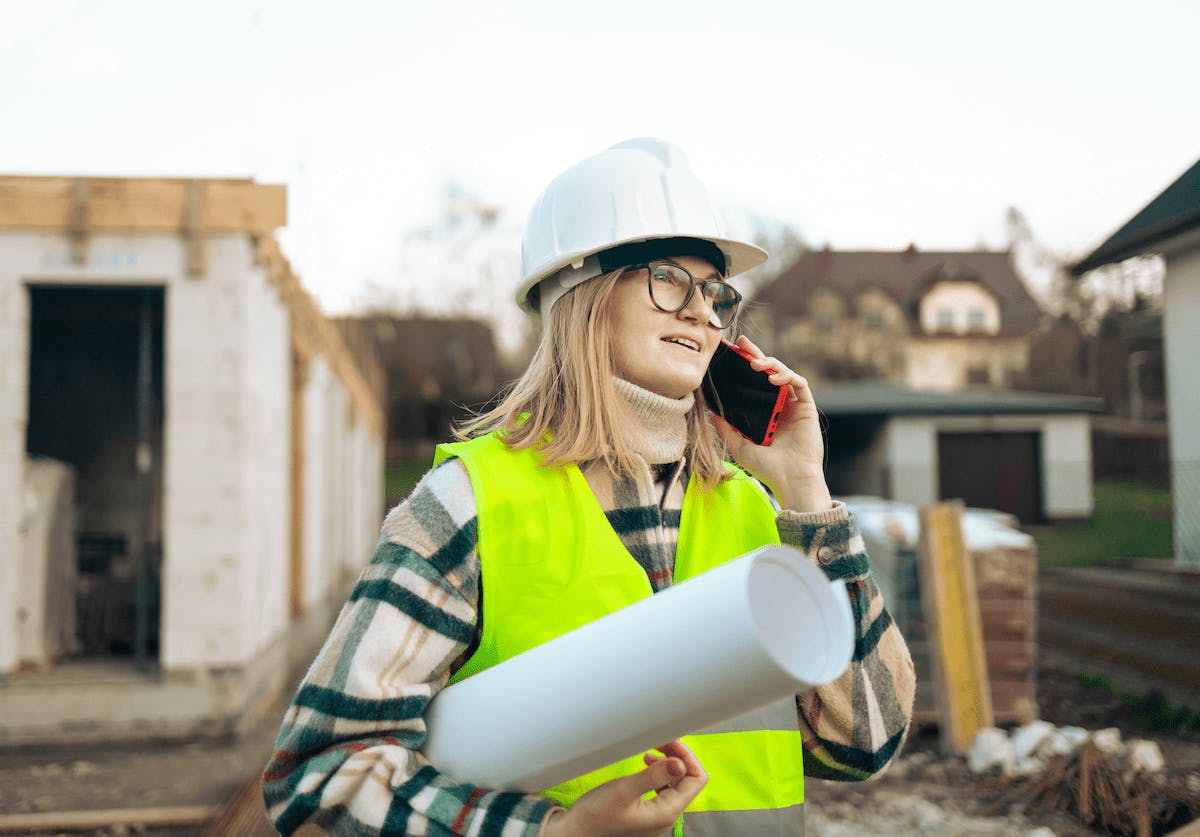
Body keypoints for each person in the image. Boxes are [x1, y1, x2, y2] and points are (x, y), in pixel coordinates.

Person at [263, 137, 915, 836]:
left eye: (715, 291)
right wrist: (548, 832)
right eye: (669, 277)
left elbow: (867, 740)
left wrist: (806, 489)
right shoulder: (468, 505)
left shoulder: (765, 511)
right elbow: (319, 775)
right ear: (582, 293)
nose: (702, 311)